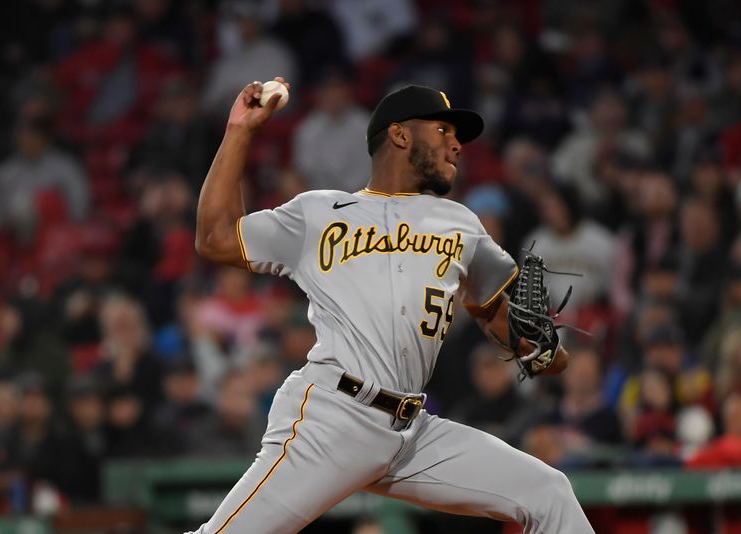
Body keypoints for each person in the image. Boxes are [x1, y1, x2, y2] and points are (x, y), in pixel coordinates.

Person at [190, 78, 593, 534]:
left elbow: (503, 320)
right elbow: (216, 238)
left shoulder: (462, 224)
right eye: (444, 130)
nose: (457, 145)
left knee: (548, 493)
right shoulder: (320, 213)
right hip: (332, 418)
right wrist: (240, 131)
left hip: (411, 432)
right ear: (400, 135)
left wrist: (540, 350)